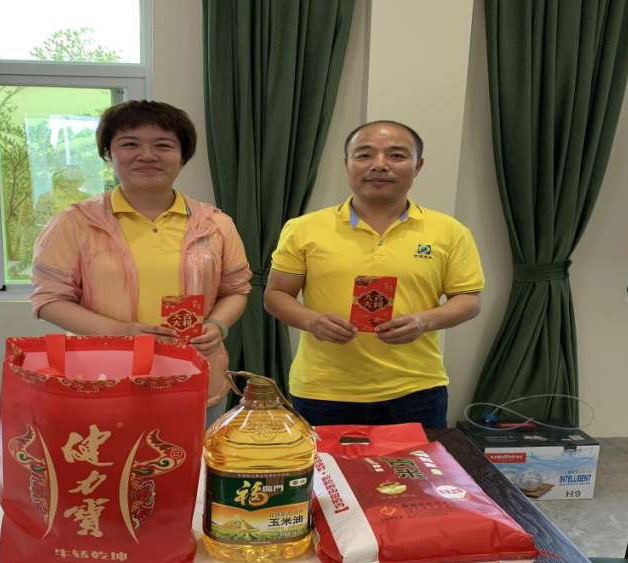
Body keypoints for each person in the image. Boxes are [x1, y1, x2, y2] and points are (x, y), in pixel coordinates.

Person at [30, 100, 251, 427]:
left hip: (193, 374)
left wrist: (218, 325)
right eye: (130, 144)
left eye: (163, 145)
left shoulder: (216, 224)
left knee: (191, 459)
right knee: (109, 458)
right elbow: (49, 300)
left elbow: (235, 290)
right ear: (109, 153)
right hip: (105, 378)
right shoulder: (75, 222)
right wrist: (121, 333)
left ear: (183, 155)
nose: (147, 155)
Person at [263, 120, 484, 429]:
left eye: (396, 155)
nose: (379, 165)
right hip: (323, 389)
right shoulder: (303, 228)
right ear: (347, 163)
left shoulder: (450, 231)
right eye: (364, 155)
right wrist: (312, 322)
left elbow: (468, 300)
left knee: (415, 463)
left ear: (418, 166)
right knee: (324, 463)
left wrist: (424, 321)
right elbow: (275, 295)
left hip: (416, 388)